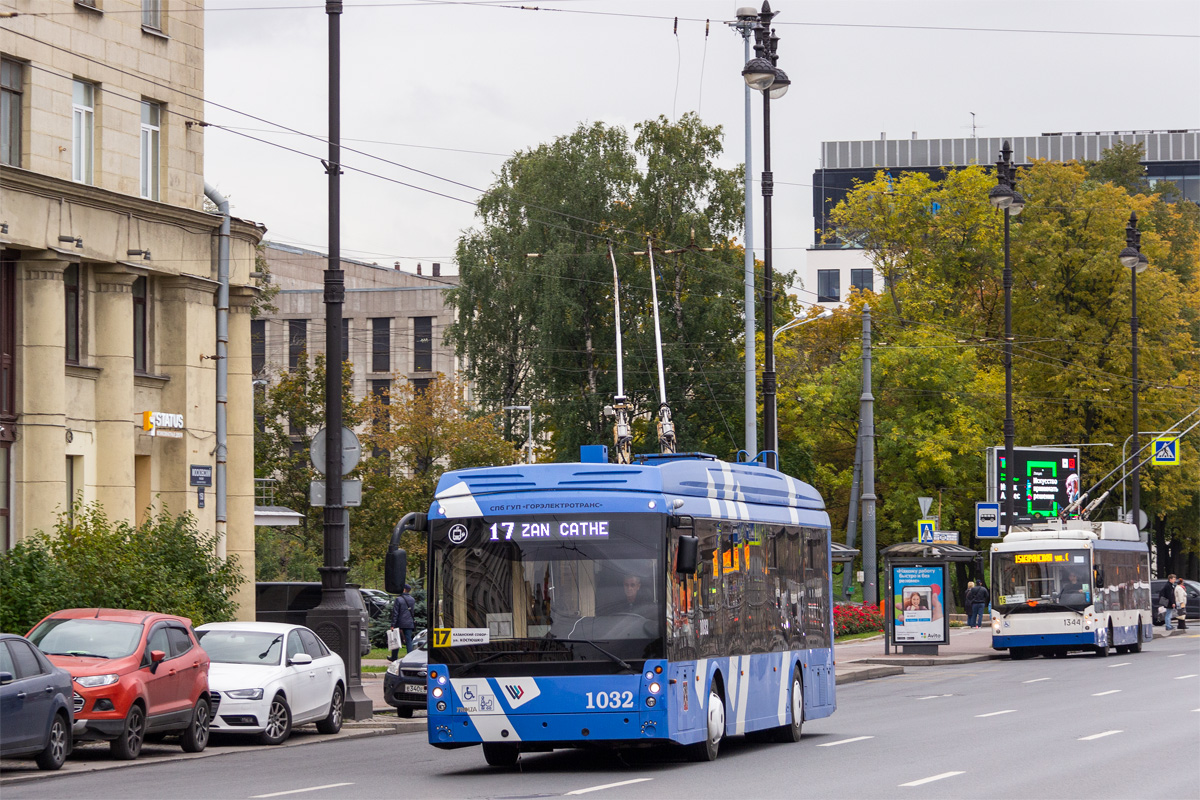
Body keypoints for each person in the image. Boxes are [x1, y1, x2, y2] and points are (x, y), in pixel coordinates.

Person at [389, 584, 416, 660]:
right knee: (409, 640)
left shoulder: (398, 599)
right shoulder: (412, 599)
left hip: (400, 622)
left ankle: (394, 657)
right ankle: (410, 657)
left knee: (396, 640)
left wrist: (393, 624)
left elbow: (395, 613)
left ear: (404, 589)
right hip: (409, 622)